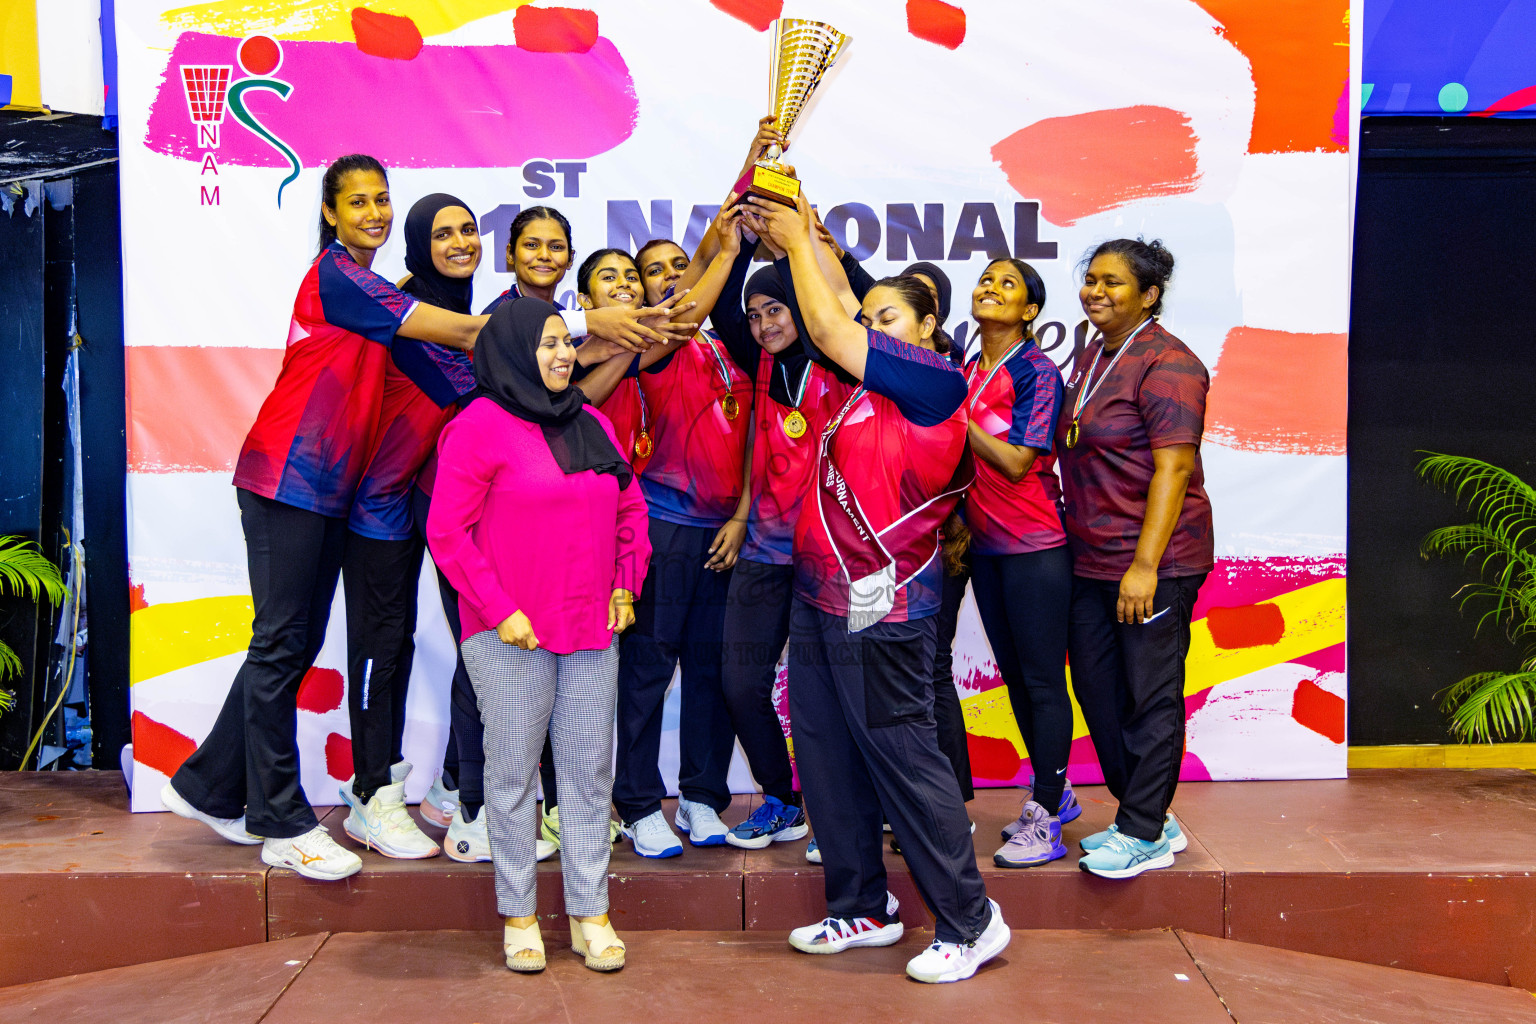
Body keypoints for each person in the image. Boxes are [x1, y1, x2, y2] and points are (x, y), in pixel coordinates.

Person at [160, 155, 498, 881]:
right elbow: (470, 334)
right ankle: (282, 821)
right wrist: (570, 323)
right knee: (282, 644)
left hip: (324, 490)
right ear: (331, 212)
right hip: (286, 477)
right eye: (358, 202)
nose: (374, 212)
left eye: (382, 199)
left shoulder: (366, 282)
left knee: (292, 641)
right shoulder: (342, 277)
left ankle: (211, 787)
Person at [745, 191, 1009, 985]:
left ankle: (971, 919)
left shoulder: (934, 385)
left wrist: (795, 241)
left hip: (887, 611)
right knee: (825, 755)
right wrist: (799, 219)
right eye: (871, 317)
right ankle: (861, 905)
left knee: (905, 762)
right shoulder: (861, 393)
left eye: (886, 319)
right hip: (821, 601)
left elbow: (829, 324)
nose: (870, 328)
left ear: (927, 329)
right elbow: (833, 310)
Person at [427, 296, 651, 973]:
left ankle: (591, 914)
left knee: (587, 776)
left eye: (566, 342)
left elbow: (631, 507)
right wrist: (499, 609)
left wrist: (625, 582)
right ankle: (519, 916)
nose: (561, 354)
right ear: (514, 351)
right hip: (510, 634)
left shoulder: (591, 423)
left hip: (590, 625)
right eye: (547, 343)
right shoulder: (477, 427)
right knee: (513, 775)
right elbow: (446, 533)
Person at [1057, 238, 1211, 879]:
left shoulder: (1171, 364)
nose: (1095, 291)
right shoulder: (1095, 352)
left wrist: (1144, 567)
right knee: (1097, 688)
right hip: (1092, 556)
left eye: (1113, 282)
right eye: (1090, 279)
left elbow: (1174, 470)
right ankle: (1146, 814)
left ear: (1149, 294)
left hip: (1156, 561)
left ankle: (1143, 829)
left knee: (1150, 694)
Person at [336, 193, 483, 863]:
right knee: (384, 645)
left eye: (468, 230)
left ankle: (454, 786)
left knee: (482, 645)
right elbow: (476, 382)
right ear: (420, 244)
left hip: (447, 499)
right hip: (381, 503)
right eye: (443, 233)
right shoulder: (408, 316)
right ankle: (373, 791)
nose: (459, 242)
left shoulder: (472, 308)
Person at [612, 202, 760, 857]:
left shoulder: (733, 339)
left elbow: (759, 435)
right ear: (642, 290)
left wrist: (741, 515)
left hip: (726, 531)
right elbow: (696, 288)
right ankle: (639, 803)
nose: (669, 275)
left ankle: (701, 798)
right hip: (664, 524)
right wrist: (720, 250)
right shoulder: (648, 339)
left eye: (680, 264)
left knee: (713, 670)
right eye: (655, 270)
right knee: (648, 668)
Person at [954, 258, 1076, 869]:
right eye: (985, 280)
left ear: (1030, 311)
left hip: (1035, 549)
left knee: (1043, 682)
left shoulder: (1036, 371)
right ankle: (1055, 791)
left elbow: (1017, 462)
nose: (989, 288)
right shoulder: (970, 367)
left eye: (1007, 284)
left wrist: (958, 419)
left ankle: (1047, 816)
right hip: (987, 550)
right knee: (1017, 680)